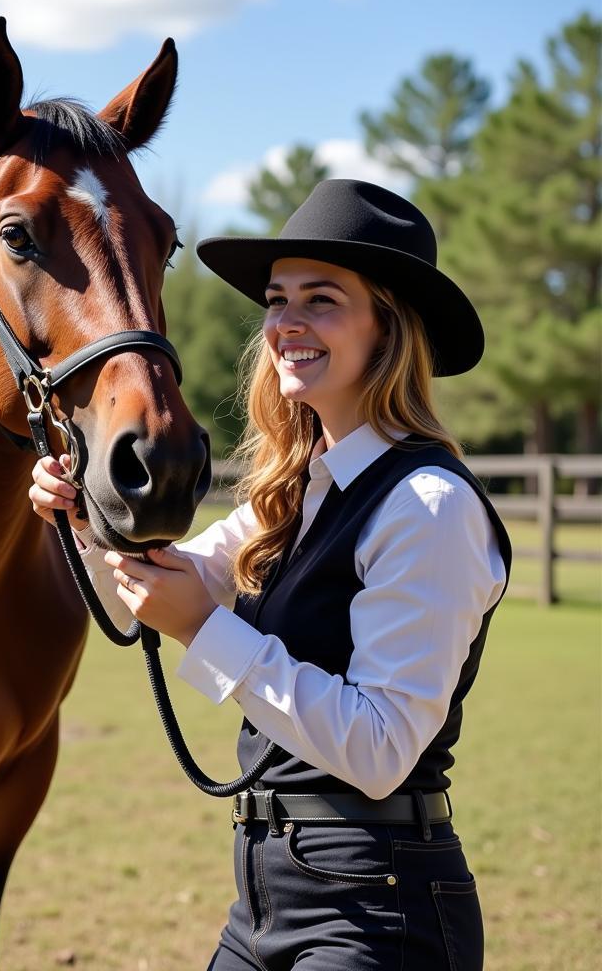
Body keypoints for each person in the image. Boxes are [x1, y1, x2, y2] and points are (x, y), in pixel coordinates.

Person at [29, 179, 511, 970]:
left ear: (389, 328)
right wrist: (84, 518)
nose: (286, 323)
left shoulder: (427, 506)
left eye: (321, 299)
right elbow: (166, 580)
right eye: (278, 299)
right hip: (264, 892)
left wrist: (200, 628)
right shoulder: (293, 493)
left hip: (379, 903)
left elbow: (381, 747)